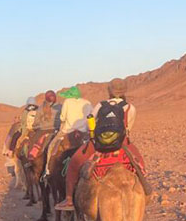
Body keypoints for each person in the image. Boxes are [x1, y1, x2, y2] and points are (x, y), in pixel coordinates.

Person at [55, 78, 143, 211]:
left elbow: (91, 121)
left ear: (109, 91)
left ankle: (68, 200)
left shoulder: (101, 105)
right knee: (140, 163)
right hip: (122, 143)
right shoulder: (130, 108)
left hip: (99, 144)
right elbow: (128, 127)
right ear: (124, 91)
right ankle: (144, 190)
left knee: (73, 164)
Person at [45, 85, 93, 175]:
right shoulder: (88, 103)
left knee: (51, 146)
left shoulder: (67, 102)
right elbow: (92, 117)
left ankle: (47, 170)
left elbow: (62, 118)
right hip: (84, 132)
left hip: (68, 131)